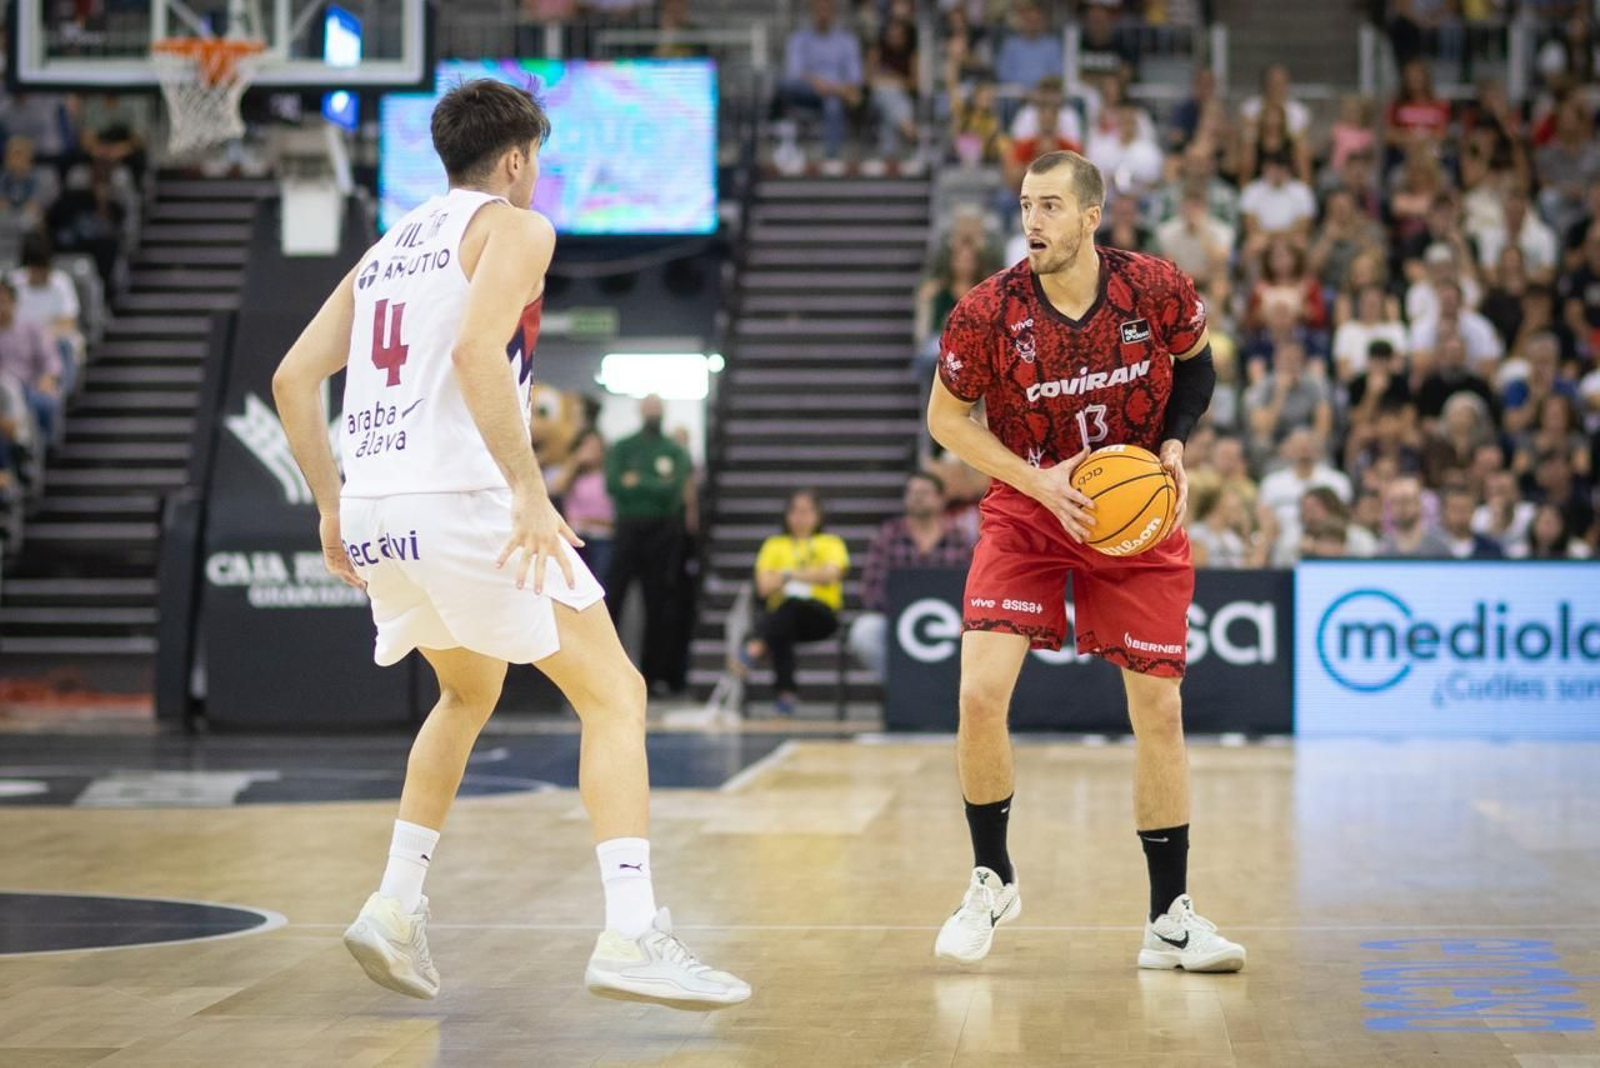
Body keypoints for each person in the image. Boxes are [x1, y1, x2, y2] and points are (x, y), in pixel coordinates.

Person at [270, 79, 748, 1009]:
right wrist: (530, 492)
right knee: (616, 695)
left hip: (376, 511)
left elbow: (293, 378)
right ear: (519, 158)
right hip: (462, 501)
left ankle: (395, 905)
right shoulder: (517, 227)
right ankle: (632, 932)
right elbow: (474, 352)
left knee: (467, 690)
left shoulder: (385, 249)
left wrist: (330, 508)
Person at [927, 150, 1245, 972]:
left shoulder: (1154, 286)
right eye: (1025, 205)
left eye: (1050, 206)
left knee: (1160, 711)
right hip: (1031, 510)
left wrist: (1173, 444)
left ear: (1091, 216)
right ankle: (991, 878)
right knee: (979, 695)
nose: (1032, 221)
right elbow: (947, 420)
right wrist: (1036, 480)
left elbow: (1198, 364)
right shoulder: (985, 312)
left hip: (1131, 512)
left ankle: (1168, 919)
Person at [606, 394, 694, 697]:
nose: (653, 413)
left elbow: (672, 494)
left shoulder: (674, 450)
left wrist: (638, 482)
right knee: (612, 599)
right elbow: (614, 485)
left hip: (663, 533)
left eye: (657, 408)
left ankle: (652, 677)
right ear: (640, 410)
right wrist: (654, 484)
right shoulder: (623, 447)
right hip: (628, 529)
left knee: (657, 604)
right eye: (649, 407)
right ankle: (605, 672)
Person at [848, 471, 975, 680]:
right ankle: (904, 684)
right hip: (896, 618)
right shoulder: (889, 535)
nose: (917, 498)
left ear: (941, 499)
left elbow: (974, 586)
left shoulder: (959, 538)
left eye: (924, 492)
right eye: (912, 492)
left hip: (950, 620)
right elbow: (871, 587)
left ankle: (948, 687)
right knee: (865, 631)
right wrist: (902, 612)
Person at [739, 489, 850, 716]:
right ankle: (785, 697)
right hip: (782, 618)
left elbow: (831, 574)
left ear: (818, 515)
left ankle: (756, 647)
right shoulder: (774, 545)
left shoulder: (831, 542)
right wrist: (812, 574)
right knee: (783, 621)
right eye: (795, 511)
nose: (800, 517)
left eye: (806, 511)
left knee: (788, 608)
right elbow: (763, 586)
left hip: (821, 616)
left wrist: (787, 575)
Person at [773, 0, 864, 161]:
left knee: (833, 103)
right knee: (784, 85)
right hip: (805, 91)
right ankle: (780, 142)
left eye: (826, 10)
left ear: (833, 13)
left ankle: (831, 157)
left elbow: (855, 78)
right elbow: (794, 73)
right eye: (819, 10)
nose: (823, 15)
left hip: (836, 93)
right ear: (812, 12)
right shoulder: (798, 39)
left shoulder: (847, 41)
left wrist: (831, 88)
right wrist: (818, 83)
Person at [0, 281, 62, 443]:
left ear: (13, 302)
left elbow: (50, 357)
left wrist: (48, 377)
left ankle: (48, 448)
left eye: (3, 301)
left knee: (46, 403)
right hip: (3, 391)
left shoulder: (30, 327)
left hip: (30, 385)